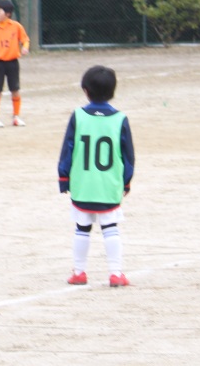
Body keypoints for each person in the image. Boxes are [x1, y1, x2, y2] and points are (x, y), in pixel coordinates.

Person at [58, 65, 135, 288]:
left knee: (82, 228)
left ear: (85, 91)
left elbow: (68, 149)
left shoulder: (78, 116)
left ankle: (79, 272)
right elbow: (128, 155)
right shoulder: (120, 119)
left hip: (83, 184)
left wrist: (64, 178)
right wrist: (126, 181)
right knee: (110, 228)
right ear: (113, 91)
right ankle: (116, 273)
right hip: (109, 185)